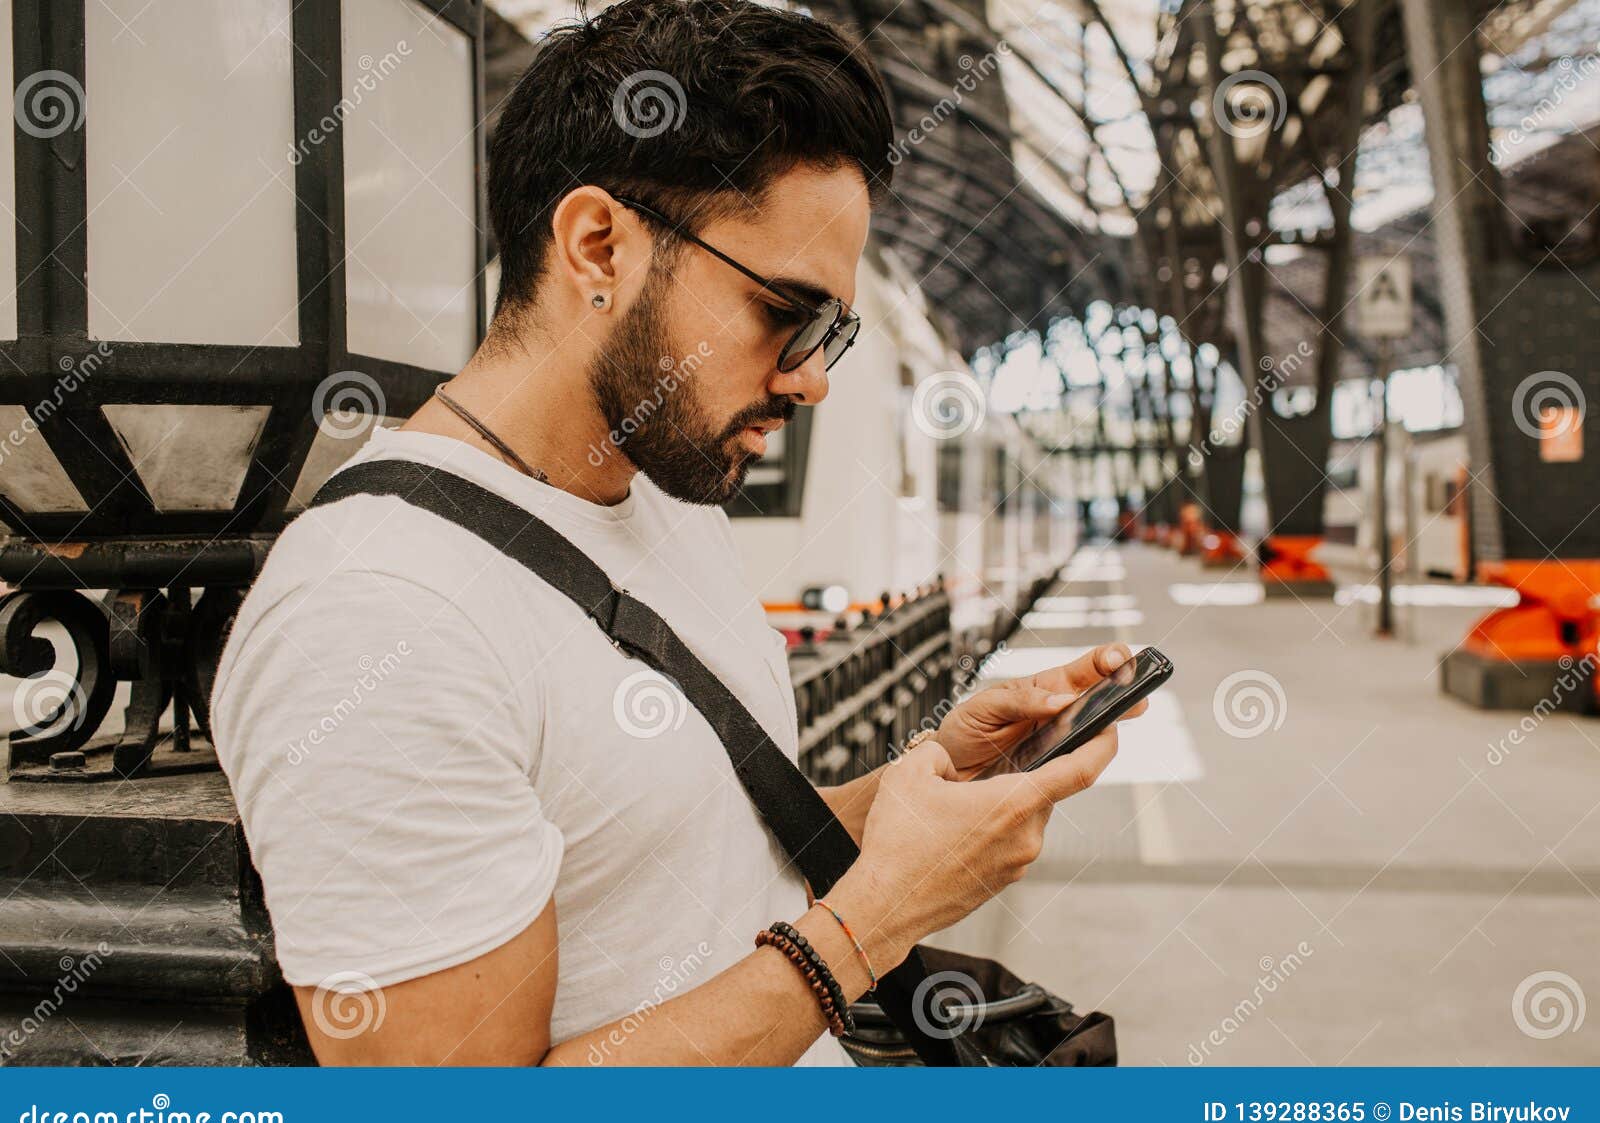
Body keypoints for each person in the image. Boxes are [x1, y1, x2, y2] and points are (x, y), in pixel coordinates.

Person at [211, 0, 1142, 1066]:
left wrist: (925, 784)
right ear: (597, 244)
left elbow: (695, 860)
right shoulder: (375, 613)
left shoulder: (661, 496)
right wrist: (878, 913)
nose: (812, 376)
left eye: (830, 329)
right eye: (782, 313)